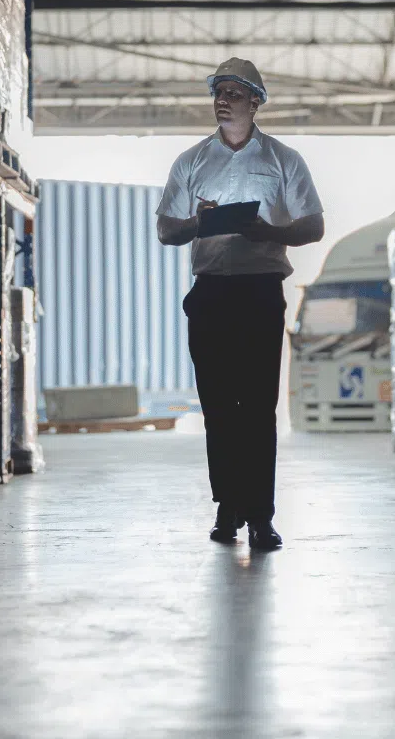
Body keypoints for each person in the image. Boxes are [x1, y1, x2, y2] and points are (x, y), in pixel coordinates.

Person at [157, 58, 323, 551]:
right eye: (218, 92)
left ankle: (260, 517)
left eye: (233, 92)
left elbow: (313, 225)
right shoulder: (190, 161)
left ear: (256, 101)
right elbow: (167, 229)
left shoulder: (283, 160)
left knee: (257, 408)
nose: (222, 99)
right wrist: (199, 224)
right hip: (210, 295)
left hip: (260, 291)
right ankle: (227, 507)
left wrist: (270, 232)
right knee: (218, 408)